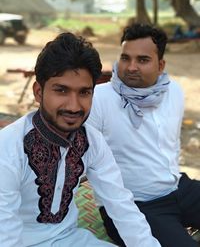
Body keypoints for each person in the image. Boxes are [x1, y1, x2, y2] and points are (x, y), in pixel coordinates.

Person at [0, 32, 161, 247]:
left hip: (71, 240)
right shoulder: (9, 148)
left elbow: (122, 206)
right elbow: (5, 233)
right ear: (38, 92)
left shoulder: (91, 140)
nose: (74, 106)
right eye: (61, 90)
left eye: (84, 92)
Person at [87, 23, 200, 247]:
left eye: (142, 60)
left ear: (161, 65)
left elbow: (171, 147)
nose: (131, 67)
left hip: (177, 188)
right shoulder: (97, 100)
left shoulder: (173, 92)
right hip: (135, 205)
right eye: (125, 58)